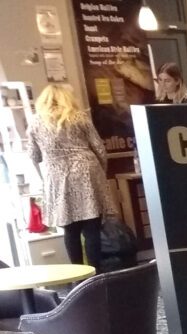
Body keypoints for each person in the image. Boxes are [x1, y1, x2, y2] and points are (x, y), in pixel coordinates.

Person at [27, 85, 113, 270]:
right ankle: (96, 274)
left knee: (70, 229)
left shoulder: (35, 122)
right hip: (86, 172)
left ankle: (78, 276)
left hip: (58, 177)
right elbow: (99, 147)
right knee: (92, 228)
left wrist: (45, 177)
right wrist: (100, 173)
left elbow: (33, 156)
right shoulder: (79, 117)